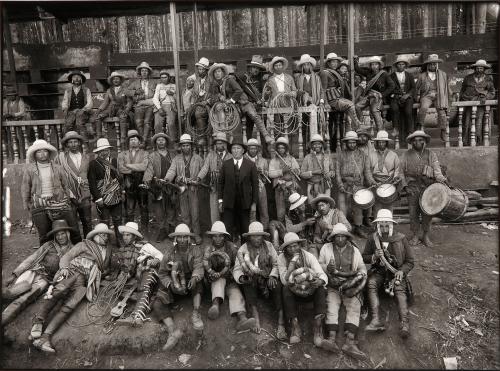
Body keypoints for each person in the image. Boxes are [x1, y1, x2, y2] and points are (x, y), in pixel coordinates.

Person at [32, 223, 113, 353]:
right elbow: (67, 257)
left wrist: (102, 274)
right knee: (59, 291)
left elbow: (106, 268)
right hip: (72, 271)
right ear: (95, 235)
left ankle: (45, 338)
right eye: (102, 234)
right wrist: (64, 268)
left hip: (86, 281)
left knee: (70, 306)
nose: (105, 237)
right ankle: (38, 321)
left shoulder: (108, 251)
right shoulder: (84, 245)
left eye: (106, 235)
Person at [2, 220, 74, 328]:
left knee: (24, 298)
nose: (60, 237)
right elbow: (32, 259)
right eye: (57, 234)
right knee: (13, 292)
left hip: (46, 280)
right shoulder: (48, 245)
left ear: (67, 234)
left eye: (62, 233)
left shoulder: (73, 250)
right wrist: (14, 274)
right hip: (33, 271)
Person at [362, 209, 415, 338]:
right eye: (381, 225)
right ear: (377, 225)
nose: (384, 228)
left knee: (399, 289)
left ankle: (404, 324)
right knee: (371, 283)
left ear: (391, 225)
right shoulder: (372, 239)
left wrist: (402, 271)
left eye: (387, 225)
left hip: (395, 273)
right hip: (379, 271)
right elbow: (364, 257)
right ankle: (375, 320)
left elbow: (410, 261)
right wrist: (374, 256)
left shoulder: (401, 239)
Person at [318, 223, 367, 360]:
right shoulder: (326, 248)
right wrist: (327, 270)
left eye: (342, 236)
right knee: (331, 305)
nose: (340, 239)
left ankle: (350, 342)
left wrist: (360, 275)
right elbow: (319, 264)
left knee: (354, 306)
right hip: (332, 284)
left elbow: (362, 267)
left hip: (349, 284)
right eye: (337, 236)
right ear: (333, 237)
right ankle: (331, 339)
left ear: (347, 237)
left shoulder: (354, 250)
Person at [152, 224, 204, 350]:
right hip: (175, 284)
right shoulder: (169, 253)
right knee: (157, 303)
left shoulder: (195, 250)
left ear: (188, 238)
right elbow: (162, 274)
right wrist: (171, 284)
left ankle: (196, 313)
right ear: (176, 238)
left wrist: (194, 277)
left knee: (198, 284)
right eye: (179, 237)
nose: (181, 240)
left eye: (184, 237)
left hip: (190, 283)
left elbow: (199, 267)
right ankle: (172, 331)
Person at [21, 140, 82, 245]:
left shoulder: (58, 168)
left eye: (45, 151)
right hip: (40, 204)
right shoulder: (30, 170)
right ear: (35, 154)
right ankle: (47, 257)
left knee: (74, 229)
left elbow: (65, 185)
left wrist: (67, 198)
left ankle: (80, 251)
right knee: (45, 235)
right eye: (39, 152)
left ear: (49, 153)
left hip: (60, 202)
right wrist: (27, 203)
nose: (42, 154)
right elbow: (25, 187)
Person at [277, 232, 331, 348]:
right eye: (289, 247)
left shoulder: (308, 256)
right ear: (285, 249)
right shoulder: (281, 259)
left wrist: (319, 281)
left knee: (320, 288)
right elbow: (284, 279)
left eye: (295, 246)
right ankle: (295, 326)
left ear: (299, 245)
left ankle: (318, 327)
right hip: (294, 292)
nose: (293, 249)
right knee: (285, 288)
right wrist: (292, 268)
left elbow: (321, 274)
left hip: (310, 291)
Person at [233, 222, 286, 340]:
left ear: (263, 236)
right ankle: (255, 315)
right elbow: (237, 269)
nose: (257, 238)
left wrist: (273, 276)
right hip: (253, 279)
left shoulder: (269, 246)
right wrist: (242, 277)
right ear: (249, 237)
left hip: (267, 277)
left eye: (259, 236)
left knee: (277, 286)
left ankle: (281, 322)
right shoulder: (243, 248)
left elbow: (276, 263)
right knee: (248, 283)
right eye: (254, 236)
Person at [203, 221, 256, 330]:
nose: (218, 239)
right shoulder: (208, 250)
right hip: (216, 278)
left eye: (220, 236)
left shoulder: (231, 247)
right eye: (215, 236)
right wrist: (211, 274)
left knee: (235, 293)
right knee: (218, 283)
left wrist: (230, 272)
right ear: (212, 237)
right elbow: (205, 266)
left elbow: (237, 265)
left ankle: (242, 318)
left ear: (224, 237)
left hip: (231, 278)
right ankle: (215, 306)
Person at [399, 130, 447, 247]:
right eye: (415, 140)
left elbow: (436, 170)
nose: (418, 142)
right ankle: (415, 235)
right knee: (413, 212)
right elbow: (400, 172)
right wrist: (405, 186)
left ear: (424, 141)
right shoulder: (406, 155)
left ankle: (425, 235)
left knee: (427, 212)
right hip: (412, 187)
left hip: (428, 187)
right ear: (411, 142)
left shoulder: (431, 154)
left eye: (420, 140)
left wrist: (442, 179)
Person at [206, 63, 274, 145]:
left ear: (223, 72)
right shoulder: (217, 85)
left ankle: (266, 136)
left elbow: (239, 91)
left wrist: (231, 100)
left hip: (243, 102)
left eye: (219, 71)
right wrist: (220, 96)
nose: (217, 74)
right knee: (227, 116)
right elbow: (215, 95)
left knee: (253, 115)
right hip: (234, 106)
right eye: (215, 72)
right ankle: (224, 134)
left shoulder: (229, 80)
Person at [113, 222, 163, 327]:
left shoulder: (145, 246)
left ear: (134, 236)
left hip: (149, 272)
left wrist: (156, 260)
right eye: (124, 235)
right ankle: (136, 315)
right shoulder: (124, 251)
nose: (125, 238)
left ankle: (137, 316)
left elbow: (160, 255)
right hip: (138, 277)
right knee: (133, 288)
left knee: (144, 286)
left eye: (128, 235)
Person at [335, 131, 377, 238]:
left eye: (354, 142)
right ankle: (344, 230)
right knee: (343, 208)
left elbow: (367, 172)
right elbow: (337, 172)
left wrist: (372, 181)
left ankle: (358, 228)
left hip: (358, 185)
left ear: (356, 142)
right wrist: (340, 184)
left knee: (358, 208)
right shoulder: (340, 155)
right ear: (346, 143)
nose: (352, 144)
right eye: (349, 142)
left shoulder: (363, 155)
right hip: (344, 185)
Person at [218, 135, 258, 243]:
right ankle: (229, 251)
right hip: (229, 203)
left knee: (245, 228)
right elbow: (221, 183)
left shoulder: (250, 165)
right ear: (231, 150)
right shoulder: (226, 164)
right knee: (228, 228)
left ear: (243, 150)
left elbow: (255, 185)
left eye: (238, 148)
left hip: (245, 203)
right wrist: (220, 201)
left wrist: (254, 203)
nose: (236, 151)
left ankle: (244, 250)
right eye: (233, 148)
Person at [165, 134, 204, 244]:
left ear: (191, 146)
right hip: (182, 190)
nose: (185, 147)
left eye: (187, 145)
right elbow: (172, 170)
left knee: (195, 213)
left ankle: (196, 235)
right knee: (185, 215)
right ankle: (188, 234)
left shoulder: (198, 158)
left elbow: (203, 172)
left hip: (193, 190)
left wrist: (197, 180)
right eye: (183, 145)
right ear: (180, 147)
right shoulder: (177, 159)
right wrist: (167, 179)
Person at [55, 131, 92, 238]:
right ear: (66, 145)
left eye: (75, 142)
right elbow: (58, 177)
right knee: (72, 223)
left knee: (88, 222)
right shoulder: (61, 159)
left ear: (80, 143)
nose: (73, 144)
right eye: (70, 142)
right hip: (69, 195)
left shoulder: (86, 157)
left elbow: (90, 175)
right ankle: (77, 244)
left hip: (85, 194)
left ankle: (88, 243)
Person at [88, 138, 124, 244]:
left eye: (106, 149)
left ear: (109, 150)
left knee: (118, 219)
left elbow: (120, 178)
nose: (104, 152)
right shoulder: (93, 164)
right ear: (98, 152)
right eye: (102, 150)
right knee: (105, 221)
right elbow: (92, 182)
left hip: (116, 195)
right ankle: (105, 242)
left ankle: (120, 240)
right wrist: (98, 198)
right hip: (102, 197)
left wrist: (123, 192)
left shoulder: (115, 161)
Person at [142, 132, 177, 242]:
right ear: (155, 143)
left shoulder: (173, 154)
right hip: (157, 185)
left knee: (171, 207)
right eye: (158, 140)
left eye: (163, 139)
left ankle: (171, 229)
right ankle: (162, 230)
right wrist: (147, 180)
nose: (161, 141)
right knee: (159, 210)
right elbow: (149, 169)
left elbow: (177, 167)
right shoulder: (152, 155)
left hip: (170, 185)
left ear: (166, 142)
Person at [320, 53, 362, 131]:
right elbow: (323, 89)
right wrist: (325, 103)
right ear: (328, 63)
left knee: (352, 106)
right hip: (331, 100)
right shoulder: (325, 73)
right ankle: (358, 126)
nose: (335, 64)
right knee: (350, 105)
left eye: (336, 62)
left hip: (337, 97)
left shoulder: (336, 73)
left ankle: (355, 128)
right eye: (333, 62)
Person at [197, 132, 233, 226]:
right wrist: (199, 177)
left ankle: (227, 232)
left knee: (227, 210)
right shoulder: (211, 155)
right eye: (217, 143)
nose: (219, 145)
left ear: (225, 144)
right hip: (214, 186)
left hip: (227, 188)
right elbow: (205, 168)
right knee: (214, 210)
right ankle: (216, 232)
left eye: (221, 143)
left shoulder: (230, 156)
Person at [91, 71, 132, 150]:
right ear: (112, 81)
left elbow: (130, 101)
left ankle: (123, 140)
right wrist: (99, 110)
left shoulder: (125, 89)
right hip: (111, 109)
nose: (116, 80)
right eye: (114, 79)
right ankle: (99, 137)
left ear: (120, 80)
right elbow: (105, 102)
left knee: (123, 117)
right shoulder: (109, 90)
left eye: (117, 79)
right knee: (98, 117)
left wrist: (127, 109)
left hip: (121, 109)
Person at [118, 130, 149, 232]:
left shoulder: (145, 153)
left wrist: (128, 166)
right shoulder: (122, 154)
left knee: (143, 208)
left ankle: (144, 231)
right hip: (128, 184)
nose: (133, 141)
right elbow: (121, 168)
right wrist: (136, 168)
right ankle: (130, 231)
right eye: (131, 139)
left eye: (135, 139)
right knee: (129, 210)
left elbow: (144, 166)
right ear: (128, 142)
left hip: (141, 183)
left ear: (139, 141)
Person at [459, 59, 496, 146]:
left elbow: (492, 92)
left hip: (481, 104)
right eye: (477, 68)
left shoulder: (488, 79)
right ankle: (466, 142)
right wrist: (464, 99)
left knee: (479, 122)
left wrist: (485, 97)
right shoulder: (468, 78)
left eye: (481, 68)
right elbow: (462, 91)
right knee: (467, 121)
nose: (479, 70)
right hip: (468, 102)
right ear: (475, 68)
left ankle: (479, 142)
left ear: (484, 69)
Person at [354, 56, 396, 132]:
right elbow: (358, 70)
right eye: (372, 64)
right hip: (369, 96)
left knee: (374, 110)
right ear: (370, 66)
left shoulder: (384, 74)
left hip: (378, 97)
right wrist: (355, 61)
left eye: (376, 64)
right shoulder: (368, 73)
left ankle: (380, 130)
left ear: (379, 65)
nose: (374, 66)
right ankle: (361, 125)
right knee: (357, 106)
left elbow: (392, 86)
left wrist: (382, 94)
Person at [415, 54, 449, 140]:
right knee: (423, 108)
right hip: (427, 95)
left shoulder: (443, 74)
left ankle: (443, 130)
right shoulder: (422, 76)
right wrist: (418, 95)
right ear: (427, 65)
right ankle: (420, 126)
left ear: (437, 65)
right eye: (431, 64)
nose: (433, 65)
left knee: (441, 111)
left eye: (435, 64)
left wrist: (449, 96)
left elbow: (446, 87)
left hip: (439, 95)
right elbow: (416, 88)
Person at [368, 130, 401, 215]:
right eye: (379, 142)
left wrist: (395, 180)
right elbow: (368, 171)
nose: (381, 144)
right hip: (376, 185)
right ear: (376, 143)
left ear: (386, 143)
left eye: (383, 142)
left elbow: (397, 169)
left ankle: (389, 227)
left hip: (389, 184)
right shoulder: (371, 155)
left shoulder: (393, 155)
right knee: (377, 209)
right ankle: (377, 227)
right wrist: (373, 182)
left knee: (389, 208)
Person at [269, 137, 301, 223]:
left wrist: (295, 170)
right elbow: (270, 174)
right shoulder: (273, 160)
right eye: (279, 148)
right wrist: (282, 171)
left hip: (291, 186)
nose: (280, 150)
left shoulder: (291, 159)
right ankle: (282, 231)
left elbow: (298, 170)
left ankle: (294, 228)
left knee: (294, 208)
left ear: (286, 148)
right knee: (281, 211)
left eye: (282, 148)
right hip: (280, 187)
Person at [126, 61, 157, 145]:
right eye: (142, 71)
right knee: (138, 122)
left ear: (148, 72)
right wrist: (135, 92)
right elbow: (126, 91)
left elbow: (158, 94)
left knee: (147, 122)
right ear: (140, 72)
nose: (144, 72)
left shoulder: (154, 82)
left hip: (150, 105)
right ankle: (144, 140)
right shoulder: (135, 83)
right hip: (138, 105)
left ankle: (143, 141)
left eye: (146, 71)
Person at [300, 134, 335, 203]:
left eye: (319, 144)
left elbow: (333, 171)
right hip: (312, 186)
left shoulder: (327, 157)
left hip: (325, 185)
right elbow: (301, 174)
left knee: (325, 205)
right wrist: (313, 172)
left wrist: (330, 174)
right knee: (314, 205)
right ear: (312, 146)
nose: (317, 146)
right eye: (314, 144)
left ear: (322, 145)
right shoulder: (307, 157)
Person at [61, 70, 94, 144]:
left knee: (79, 123)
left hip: (83, 112)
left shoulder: (86, 90)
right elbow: (65, 101)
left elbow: (90, 103)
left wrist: (83, 110)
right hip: (72, 112)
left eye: (78, 77)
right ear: (72, 79)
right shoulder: (68, 91)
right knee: (67, 125)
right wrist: (65, 108)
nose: (76, 79)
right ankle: (67, 143)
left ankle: (85, 143)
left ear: (81, 79)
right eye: (74, 77)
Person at [244, 138, 270, 231]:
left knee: (264, 210)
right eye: (251, 148)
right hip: (248, 188)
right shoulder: (243, 160)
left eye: (255, 148)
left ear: (258, 149)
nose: (253, 150)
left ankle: (265, 231)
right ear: (248, 149)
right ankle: (252, 232)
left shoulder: (263, 160)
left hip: (260, 186)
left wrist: (262, 172)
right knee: (252, 211)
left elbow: (267, 176)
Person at [389, 56, 416, 143]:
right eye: (399, 64)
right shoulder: (391, 76)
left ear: (405, 66)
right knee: (394, 109)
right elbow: (390, 88)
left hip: (407, 97)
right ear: (396, 66)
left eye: (402, 64)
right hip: (396, 97)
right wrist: (397, 95)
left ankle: (410, 131)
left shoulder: (409, 75)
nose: (401, 66)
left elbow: (413, 88)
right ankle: (395, 128)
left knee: (408, 111)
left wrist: (407, 95)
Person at [153, 69, 177, 140]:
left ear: (168, 78)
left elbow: (178, 98)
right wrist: (159, 108)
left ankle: (172, 141)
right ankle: (159, 140)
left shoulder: (174, 86)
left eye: (165, 77)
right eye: (162, 77)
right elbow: (155, 98)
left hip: (171, 106)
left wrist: (173, 94)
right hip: (160, 106)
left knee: (171, 124)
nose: (163, 79)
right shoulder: (159, 86)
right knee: (157, 124)